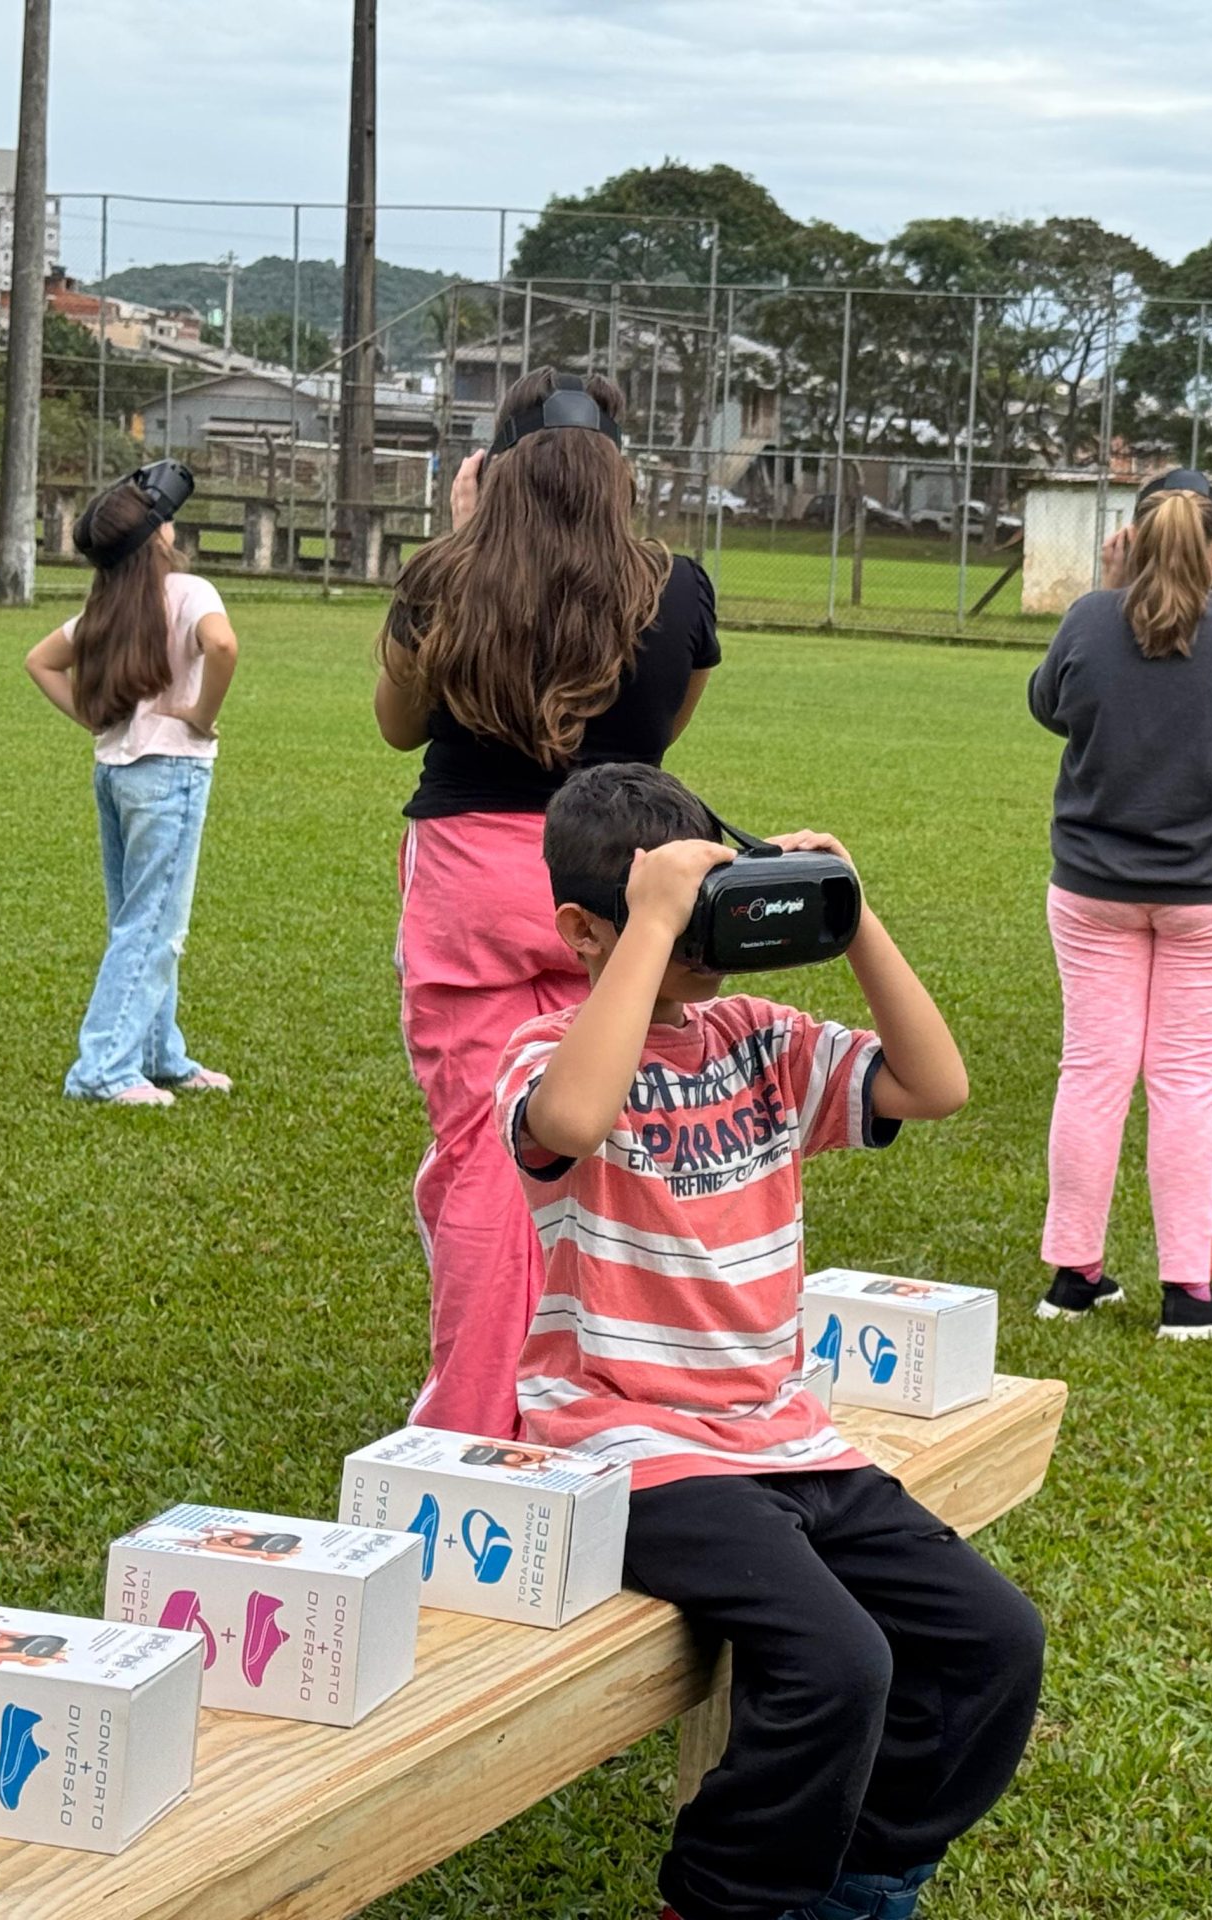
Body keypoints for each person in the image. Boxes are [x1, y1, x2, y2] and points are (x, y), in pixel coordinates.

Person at [497, 763, 1039, 1920]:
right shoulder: (548, 1048)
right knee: (839, 1663)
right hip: (632, 1442)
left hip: (786, 1432)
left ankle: (861, 1883)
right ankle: (722, 1901)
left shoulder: (759, 1041)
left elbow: (935, 1084)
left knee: (993, 1642)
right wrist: (649, 925)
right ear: (583, 932)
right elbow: (574, 1122)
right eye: (688, 926)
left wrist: (849, 912)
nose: (708, 950)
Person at [375, 369, 720, 1439]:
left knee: (487, 1151)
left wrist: (456, 542)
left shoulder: (444, 579)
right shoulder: (677, 587)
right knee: (607, 1146)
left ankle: (475, 1415)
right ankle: (606, 1383)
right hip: (618, 875)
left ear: (494, 467)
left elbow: (397, 723)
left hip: (470, 880)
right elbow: (663, 732)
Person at [1028, 470, 1212, 1341]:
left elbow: (1050, 704)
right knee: (1187, 1084)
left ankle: (1074, 1273)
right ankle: (1188, 1289)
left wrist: (1116, 596)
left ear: (1131, 538)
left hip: (1093, 888)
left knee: (1092, 1073)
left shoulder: (1089, 617)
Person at [23, 462, 240, 1108]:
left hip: (114, 772)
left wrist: (91, 715)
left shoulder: (105, 606)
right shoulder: (190, 592)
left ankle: (158, 1053)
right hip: (171, 773)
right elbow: (222, 646)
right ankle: (103, 1067)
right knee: (154, 927)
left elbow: (39, 660)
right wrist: (201, 717)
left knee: (133, 918)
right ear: (155, 540)